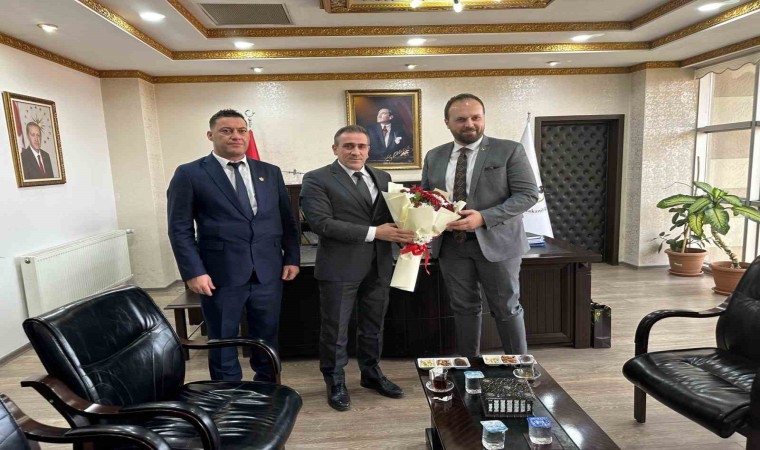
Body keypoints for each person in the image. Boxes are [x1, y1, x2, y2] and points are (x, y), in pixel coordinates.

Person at [167, 109, 300, 381]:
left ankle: (267, 389)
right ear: (210, 135)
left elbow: (287, 220)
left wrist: (292, 257)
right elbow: (179, 228)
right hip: (219, 274)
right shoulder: (190, 173)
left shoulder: (269, 172)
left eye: (241, 131)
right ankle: (227, 395)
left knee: (267, 336)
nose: (235, 136)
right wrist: (193, 272)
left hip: (267, 271)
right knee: (223, 339)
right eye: (226, 131)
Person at [300, 125, 415, 411]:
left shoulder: (383, 177)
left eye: (361, 146)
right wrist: (376, 232)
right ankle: (335, 380)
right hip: (339, 266)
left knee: (373, 326)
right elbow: (321, 224)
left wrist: (413, 229)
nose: (355, 151)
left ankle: (371, 373)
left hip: (379, 265)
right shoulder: (317, 178)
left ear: (368, 149)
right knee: (335, 328)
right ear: (335, 149)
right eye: (348, 146)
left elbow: (392, 217)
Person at [421, 93, 538, 357]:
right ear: (447, 122)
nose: (470, 124)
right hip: (451, 246)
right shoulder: (434, 156)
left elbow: (528, 195)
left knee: (506, 308)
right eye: (461, 119)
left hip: (498, 244)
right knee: (463, 308)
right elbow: (426, 198)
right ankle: (469, 367)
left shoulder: (509, 150)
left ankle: (519, 367)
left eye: (476, 117)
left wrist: (483, 217)